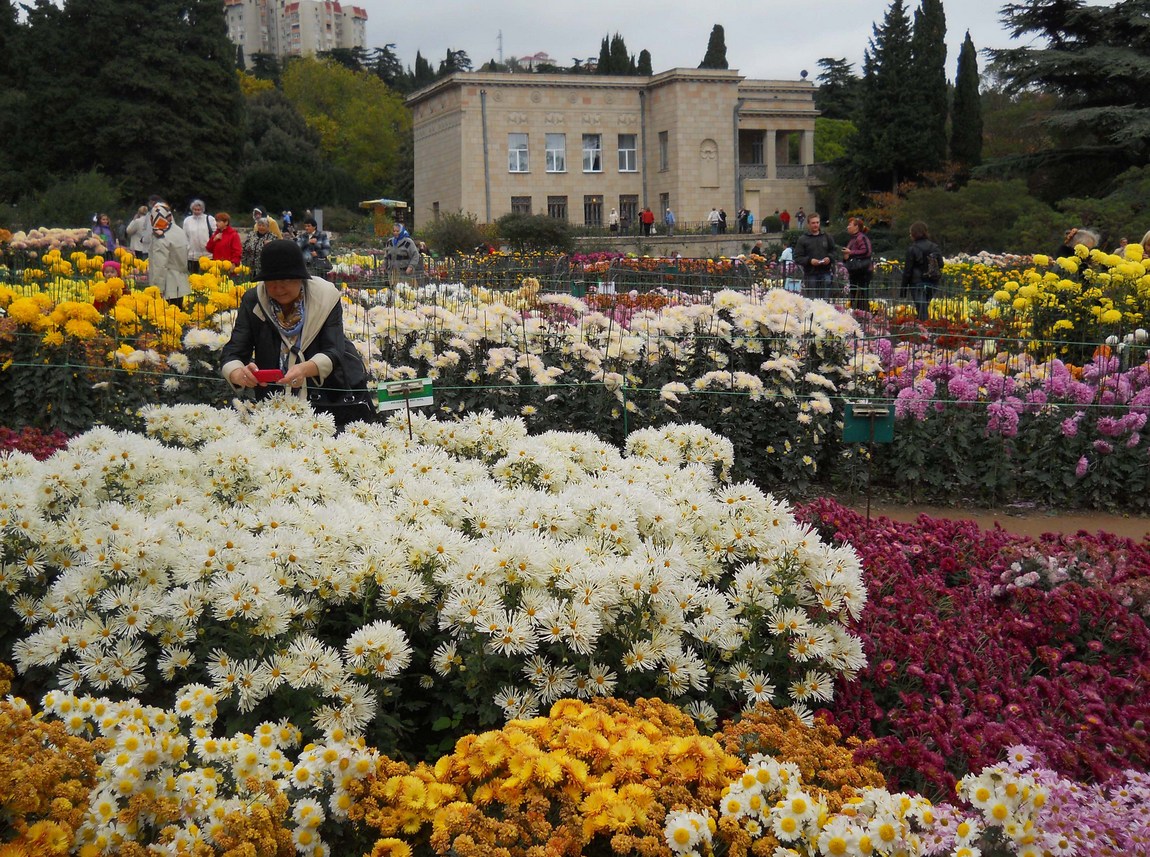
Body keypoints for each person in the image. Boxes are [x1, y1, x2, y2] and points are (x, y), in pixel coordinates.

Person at [220, 239, 373, 431]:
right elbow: (234, 350)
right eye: (271, 282)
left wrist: (305, 369)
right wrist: (237, 373)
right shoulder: (254, 300)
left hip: (326, 399)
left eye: (285, 280)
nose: (278, 288)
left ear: (301, 278)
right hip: (273, 401)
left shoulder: (325, 297)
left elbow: (334, 349)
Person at [147, 201, 190, 306]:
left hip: (167, 286)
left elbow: (159, 265)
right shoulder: (178, 231)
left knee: (166, 319)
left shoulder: (160, 237)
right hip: (180, 282)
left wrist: (157, 288)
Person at [901, 221, 944, 321]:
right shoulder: (935, 247)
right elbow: (941, 264)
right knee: (924, 308)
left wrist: (903, 290)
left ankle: (924, 331)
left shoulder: (912, 249)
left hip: (917, 282)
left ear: (913, 234)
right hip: (932, 281)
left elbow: (908, 271)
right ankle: (924, 329)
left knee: (921, 310)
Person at [793, 212, 838, 299]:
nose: (815, 225)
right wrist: (810, 261)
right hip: (810, 274)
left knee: (825, 302)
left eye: (817, 222)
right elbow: (797, 257)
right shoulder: (803, 239)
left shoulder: (827, 237)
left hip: (826, 272)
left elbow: (834, 251)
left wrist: (829, 258)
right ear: (808, 224)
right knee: (812, 302)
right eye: (813, 223)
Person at [843, 216, 874, 312]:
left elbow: (867, 251)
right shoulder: (853, 239)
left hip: (863, 272)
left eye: (850, 225)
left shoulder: (861, 238)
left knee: (862, 296)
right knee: (855, 296)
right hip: (855, 272)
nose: (848, 227)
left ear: (856, 227)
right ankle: (857, 315)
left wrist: (850, 252)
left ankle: (864, 317)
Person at [182, 200, 216, 274]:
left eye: (199, 210)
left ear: (202, 209)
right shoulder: (187, 221)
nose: (197, 211)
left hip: (208, 254)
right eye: (195, 209)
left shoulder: (209, 219)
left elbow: (215, 233)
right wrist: (187, 248)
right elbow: (184, 236)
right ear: (192, 209)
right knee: (194, 275)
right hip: (193, 254)